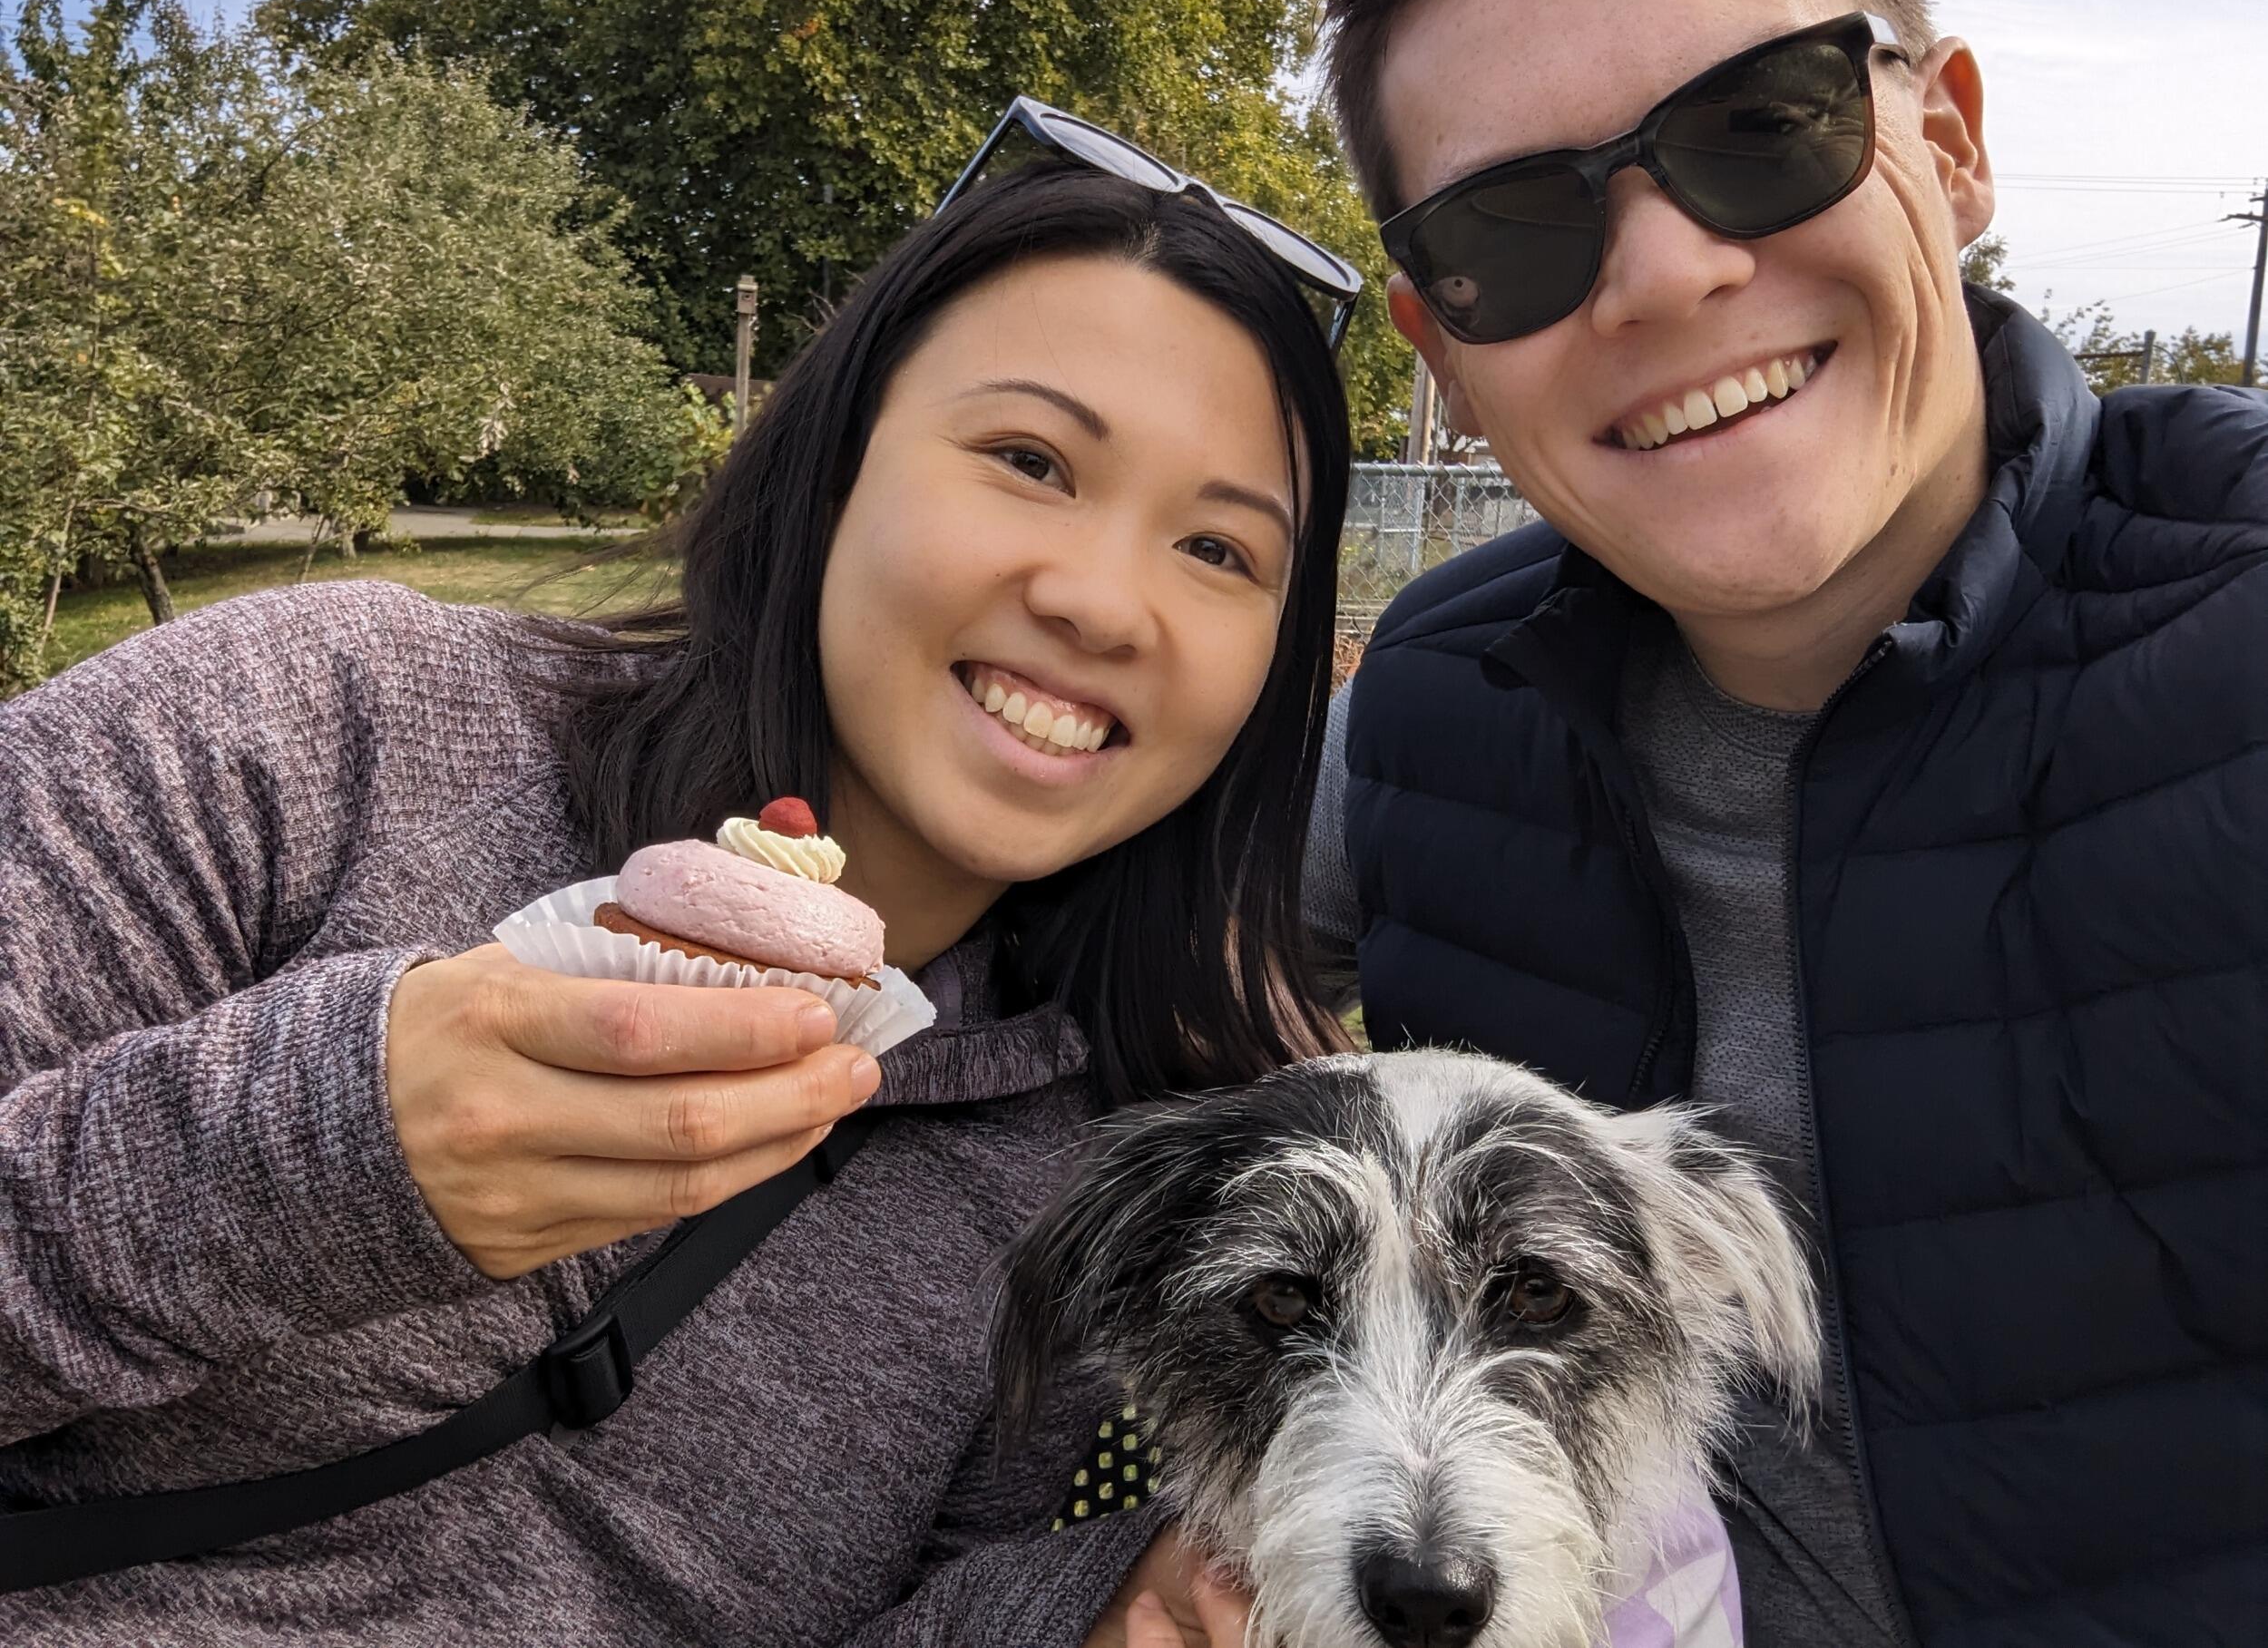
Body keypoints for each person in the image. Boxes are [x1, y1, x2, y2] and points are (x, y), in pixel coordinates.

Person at [0, 145, 1360, 1644]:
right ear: (833, 458)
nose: (1103, 601)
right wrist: (305, 1157)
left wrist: (1070, 1618)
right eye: (1032, 462)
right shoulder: (320, 730)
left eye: (1220, 549)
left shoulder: (1105, 1176)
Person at [1293, 0, 2268, 1644]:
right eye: (1512, 231)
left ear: (1949, 144)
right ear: (1440, 350)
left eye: (1764, 123)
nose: (1665, 278)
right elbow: (1003, 981)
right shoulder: (1424, 716)